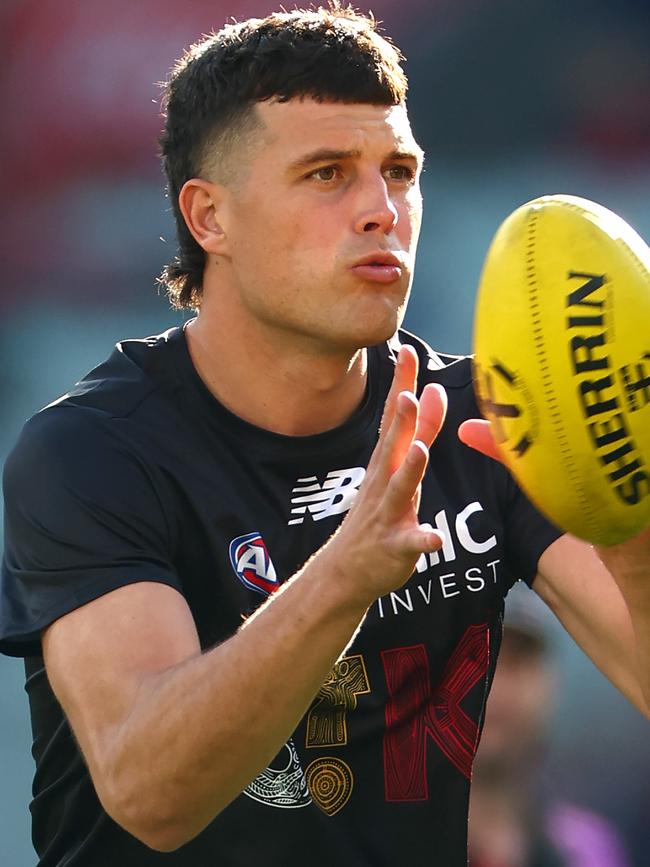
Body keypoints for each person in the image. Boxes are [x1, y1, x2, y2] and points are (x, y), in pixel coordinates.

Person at [0, 4, 648, 866]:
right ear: (209, 218)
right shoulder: (90, 451)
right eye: (326, 174)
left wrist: (631, 533)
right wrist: (345, 573)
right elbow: (150, 792)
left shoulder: (477, 417)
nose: (382, 210)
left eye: (400, 171)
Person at [469, 585, 632, 867]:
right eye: (477, 661)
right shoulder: (387, 838)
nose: (497, 688)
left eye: (517, 664)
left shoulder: (585, 851)